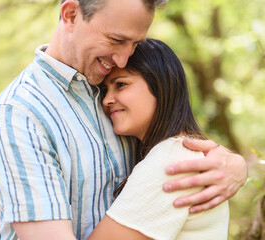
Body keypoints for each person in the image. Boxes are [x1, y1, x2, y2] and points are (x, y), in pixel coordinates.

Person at [0, 0, 247, 239]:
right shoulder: (21, 111)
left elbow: (172, 144)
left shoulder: (108, 87)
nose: (123, 58)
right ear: (71, 15)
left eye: (134, 44)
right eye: (115, 40)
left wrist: (236, 165)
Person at [88, 39, 229, 240]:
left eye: (121, 84)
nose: (106, 100)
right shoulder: (181, 152)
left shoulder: (171, 161)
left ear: (160, 85)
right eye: (105, 90)